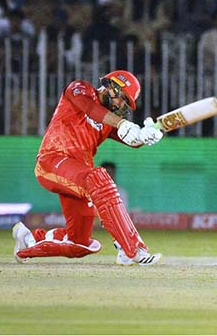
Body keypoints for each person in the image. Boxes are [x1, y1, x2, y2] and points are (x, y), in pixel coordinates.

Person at [11, 70, 164, 266]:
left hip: (79, 177)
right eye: (122, 99)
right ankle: (132, 249)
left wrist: (146, 136)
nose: (122, 105)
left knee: (80, 245)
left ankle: (30, 239)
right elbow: (92, 110)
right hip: (52, 162)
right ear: (112, 87)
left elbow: (130, 138)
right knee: (99, 177)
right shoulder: (80, 89)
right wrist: (123, 123)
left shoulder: (109, 121)